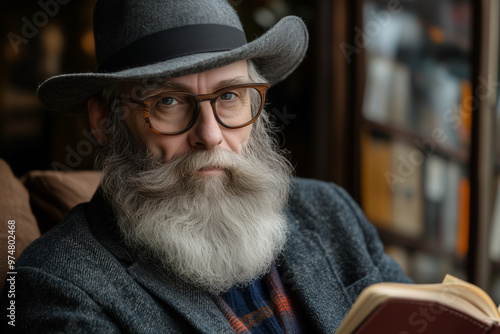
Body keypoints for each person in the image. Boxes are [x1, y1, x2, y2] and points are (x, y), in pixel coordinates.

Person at [2, 0, 411, 332]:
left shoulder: (330, 211)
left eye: (230, 96)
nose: (210, 135)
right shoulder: (54, 288)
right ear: (104, 121)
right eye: (168, 102)